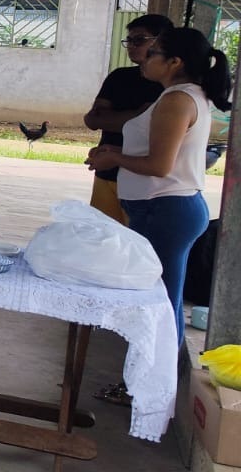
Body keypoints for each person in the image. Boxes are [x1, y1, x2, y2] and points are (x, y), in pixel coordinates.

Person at [88, 27, 231, 326]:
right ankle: (162, 356)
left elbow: (159, 165)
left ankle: (163, 358)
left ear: (174, 62)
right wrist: (115, 150)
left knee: (160, 304)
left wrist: (114, 158)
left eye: (152, 53)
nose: (144, 59)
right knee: (162, 300)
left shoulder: (177, 100)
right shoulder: (180, 95)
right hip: (164, 207)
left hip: (165, 209)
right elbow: (162, 152)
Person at [83, 14, 172, 224]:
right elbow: (93, 120)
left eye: (139, 40)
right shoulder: (119, 76)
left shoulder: (170, 87)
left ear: (162, 42)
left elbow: (148, 125)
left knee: (135, 240)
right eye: (129, 40)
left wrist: (115, 118)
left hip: (144, 181)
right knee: (104, 236)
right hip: (107, 171)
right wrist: (136, 115)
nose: (131, 46)